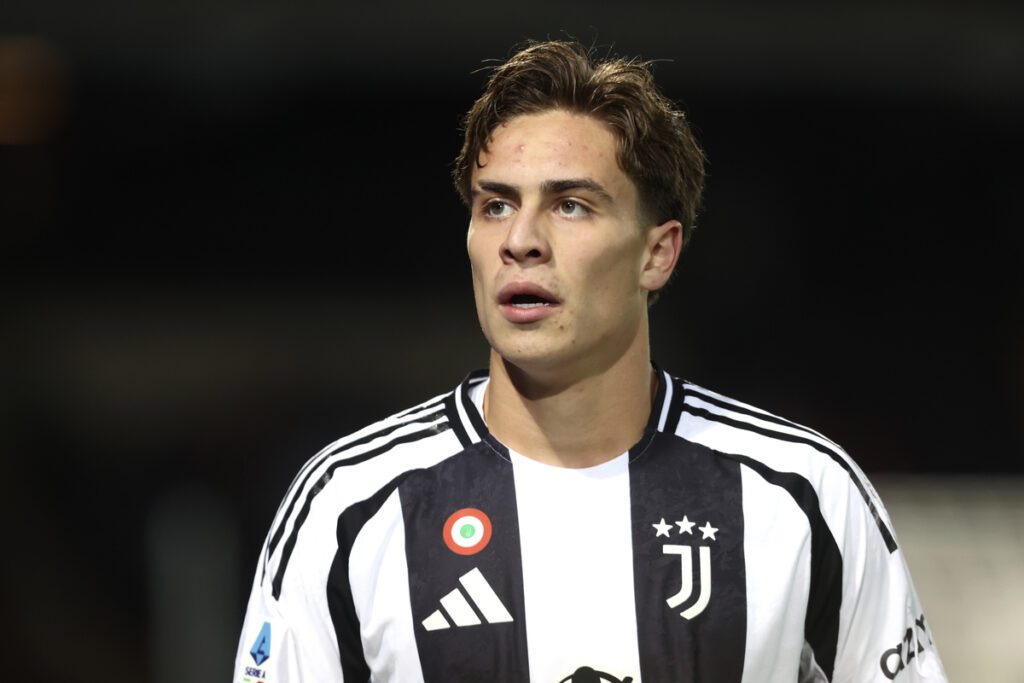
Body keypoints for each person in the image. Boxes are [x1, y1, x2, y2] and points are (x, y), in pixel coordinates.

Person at [234, 40, 947, 683]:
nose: (521, 239)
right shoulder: (351, 506)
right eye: (495, 205)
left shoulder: (799, 495)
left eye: (570, 205)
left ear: (656, 253)